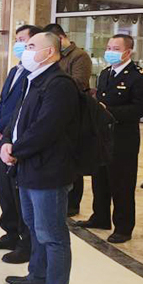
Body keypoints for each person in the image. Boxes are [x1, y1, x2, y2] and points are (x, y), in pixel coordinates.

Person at [1, 31, 79, 284]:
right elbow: (18, 117)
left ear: (49, 52)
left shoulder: (60, 84)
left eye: (32, 45)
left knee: (52, 234)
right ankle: (37, 276)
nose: (25, 49)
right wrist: (7, 141)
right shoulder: (33, 79)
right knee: (34, 227)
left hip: (48, 170)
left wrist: (16, 150)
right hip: (28, 166)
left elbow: (46, 128)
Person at [77, 34, 143, 243]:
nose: (110, 51)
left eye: (116, 48)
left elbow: (141, 108)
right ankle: (100, 217)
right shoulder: (105, 73)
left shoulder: (139, 76)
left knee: (122, 183)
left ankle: (123, 227)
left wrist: (107, 111)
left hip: (123, 137)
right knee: (100, 178)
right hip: (101, 135)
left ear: (128, 52)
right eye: (109, 47)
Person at [0, 25, 41, 265]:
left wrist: (2, 126)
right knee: (5, 190)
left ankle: (25, 243)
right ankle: (9, 232)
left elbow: (22, 108)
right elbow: (4, 100)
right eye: (17, 40)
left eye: (24, 41)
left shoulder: (35, 74)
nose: (19, 45)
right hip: (5, 138)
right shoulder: (16, 69)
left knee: (20, 195)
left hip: (19, 141)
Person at [43, 23, 92, 217]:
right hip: (54, 110)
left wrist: (53, 85)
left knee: (71, 159)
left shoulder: (79, 56)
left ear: (61, 38)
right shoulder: (57, 56)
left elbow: (79, 82)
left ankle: (73, 203)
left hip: (72, 112)